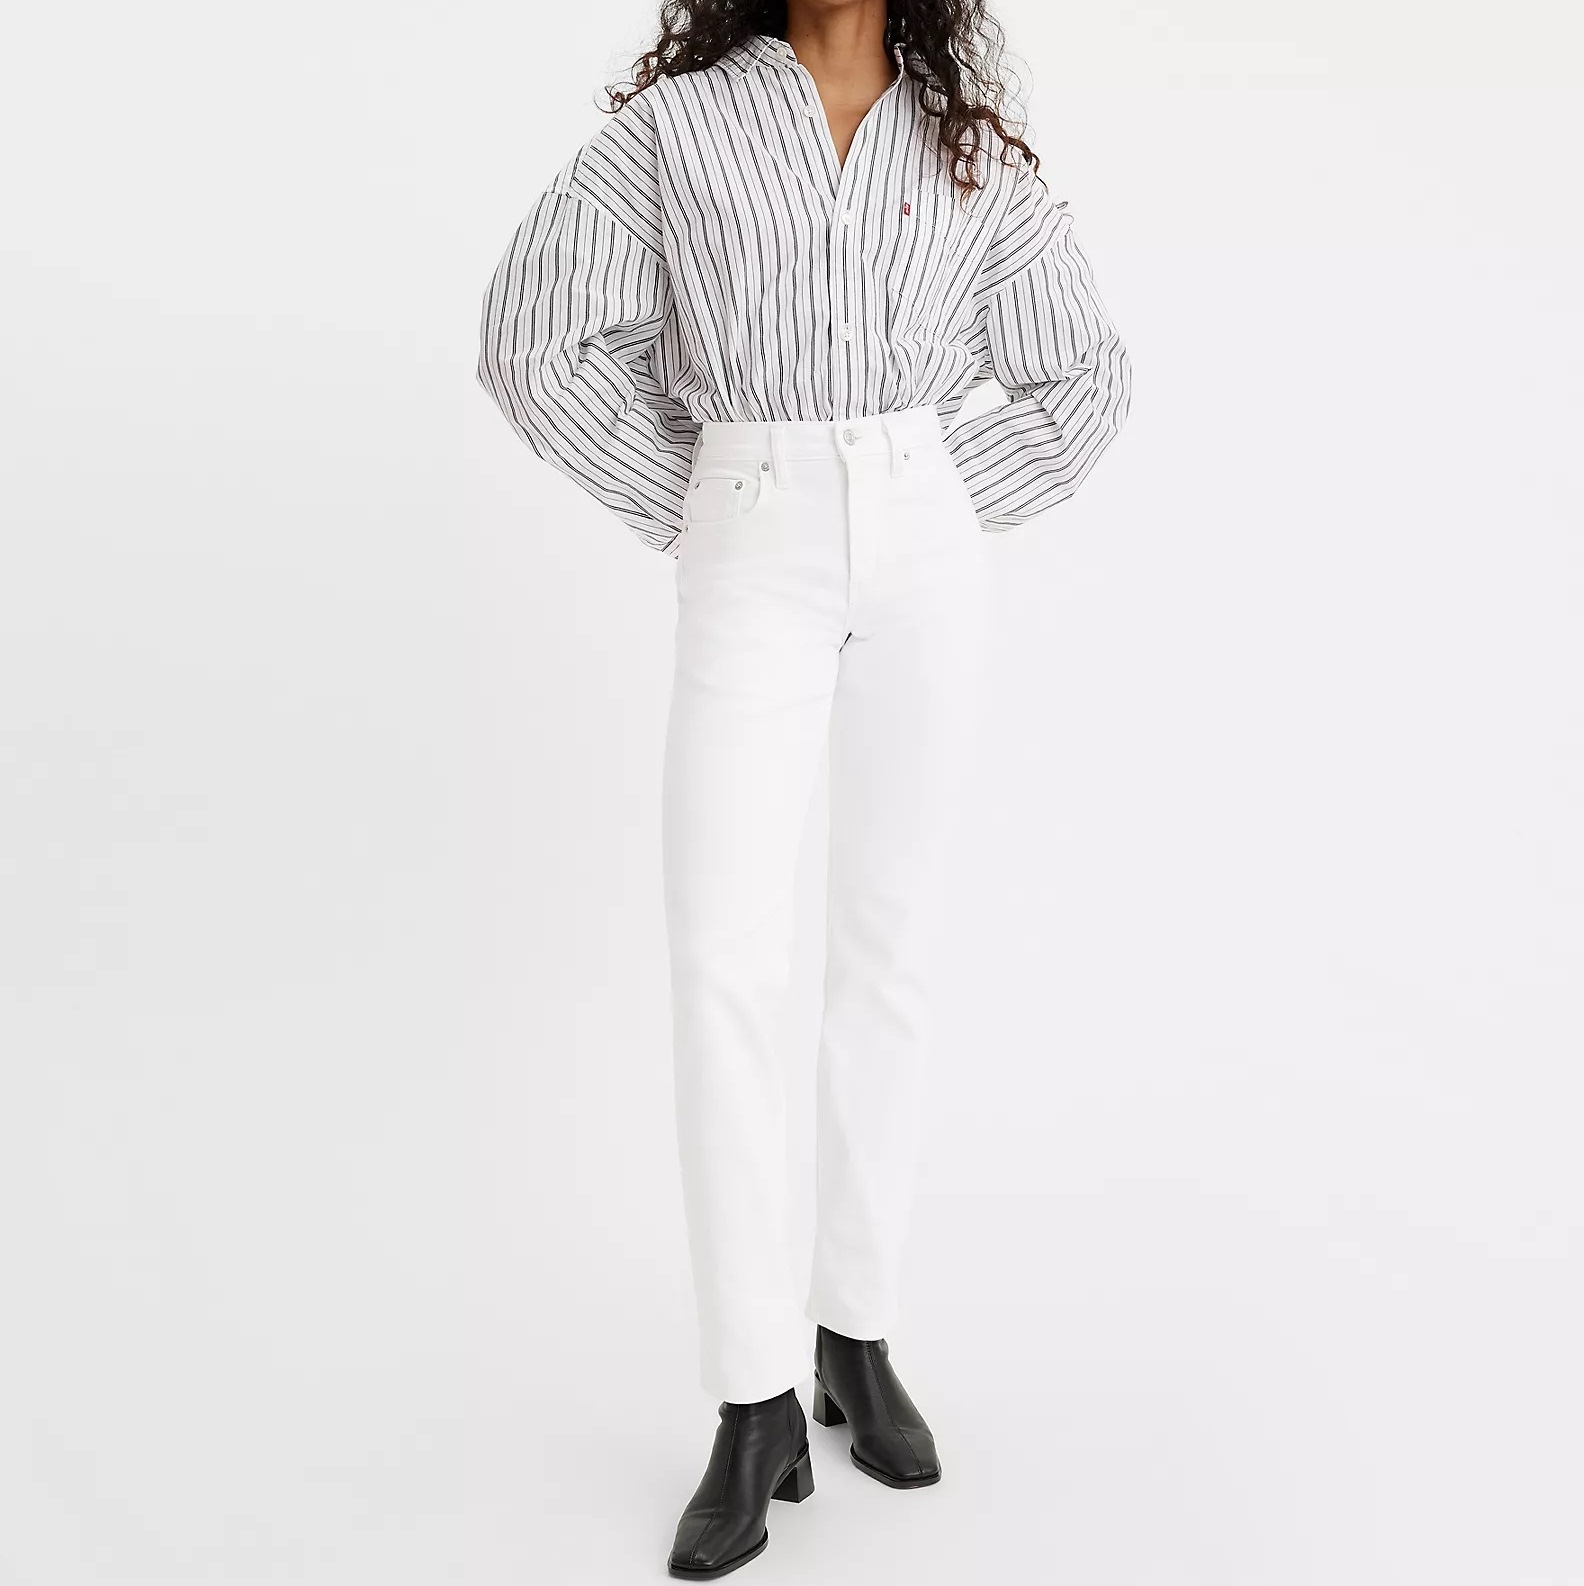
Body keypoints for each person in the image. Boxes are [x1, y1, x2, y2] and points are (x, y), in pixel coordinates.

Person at [476, 0, 1132, 1575]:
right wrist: (707, 502)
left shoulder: (963, 143)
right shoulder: (678, 129)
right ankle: (751, 1389)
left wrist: (927, 497)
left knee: (887, 950)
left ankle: (857, 1327)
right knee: (723, 964)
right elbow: (526, 341)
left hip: (924, 552)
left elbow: (1085, 376)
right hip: (749, 535)